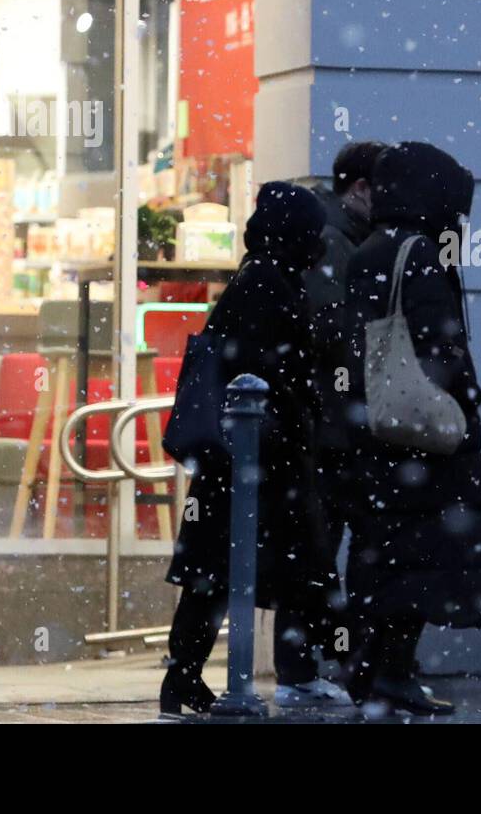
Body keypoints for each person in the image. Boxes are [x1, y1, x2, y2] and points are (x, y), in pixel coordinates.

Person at [160, 181, 339, 716]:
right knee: (246, 570)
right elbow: (270, 370)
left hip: (245, 460)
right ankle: (211, 679)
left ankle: (187, 679)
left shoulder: (261, 276)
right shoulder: (269, 283)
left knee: (216, 573)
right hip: (256, 461)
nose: (319, 243)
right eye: (312, 231)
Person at [340, 141, 481, 715]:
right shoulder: (420, 251)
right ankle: (394, 673)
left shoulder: (372, 249)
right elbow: (440, 342)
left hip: (378, 430)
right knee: (422, 558)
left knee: (384, 552)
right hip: (424, 436)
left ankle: (370, 670)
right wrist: (464, 397)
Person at [270, 140, 387, 707]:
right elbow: (333, 335)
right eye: (382, 188)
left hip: (334, 424)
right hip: (327, 427)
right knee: (315, 549)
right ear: (359, 189)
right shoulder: (334, 243)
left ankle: (326, 664)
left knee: (321, 548)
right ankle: (306, 669)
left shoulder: (344, 238)